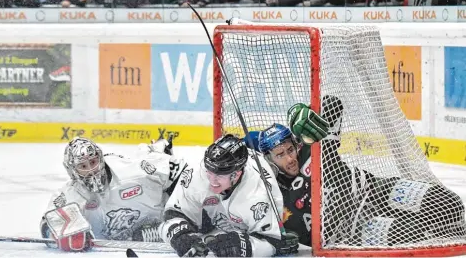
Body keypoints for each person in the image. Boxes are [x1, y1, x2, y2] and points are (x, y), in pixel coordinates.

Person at [247, 95, 466, 247]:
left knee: (451, 205)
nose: (290, 158)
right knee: (419, 235)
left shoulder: (310, 144)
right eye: (280, 155)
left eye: (289, 150)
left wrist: (300, 111)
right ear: (269, 160)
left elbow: (332, 104)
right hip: (353, 227)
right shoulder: (274, 196)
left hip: (375, 190)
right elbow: (238, 152)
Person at [159, 134, 299, 257]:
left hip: (247, 223)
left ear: (236, 174)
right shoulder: (198, 171)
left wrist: (242, 246)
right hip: (211, 216)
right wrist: (180, 236)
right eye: (209, 171)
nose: (212, 180)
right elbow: (173, 214)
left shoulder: (258, 194)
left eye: (219, 175)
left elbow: (273, 242)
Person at [40, 136, 186, 252]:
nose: (91, 170)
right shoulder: (70, 194)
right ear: (72, 171)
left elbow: (181, 173)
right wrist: (64, 236)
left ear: (101, 159)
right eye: (83, 166)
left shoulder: (134, 171)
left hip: (164, 229)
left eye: (93, 162)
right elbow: (48, 224)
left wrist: (178, 213)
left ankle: (156, 149)